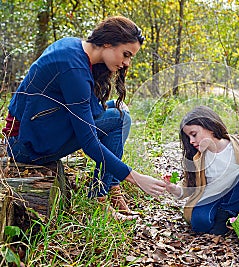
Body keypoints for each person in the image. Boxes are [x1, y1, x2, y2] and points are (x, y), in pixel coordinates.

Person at [2, 16, 166, 220]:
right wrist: (135, 177)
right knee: (120, 119)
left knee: (117, 108)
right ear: (107, 43)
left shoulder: (72, 47)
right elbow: (89, 143)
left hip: (34, 132)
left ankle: (110, 186)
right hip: (25, 147)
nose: (126, 63)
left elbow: (87, 109)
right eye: (126, 54)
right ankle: (99, 196)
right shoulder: (74, 69)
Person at [164, 105, 239, 235]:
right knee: (199, 223)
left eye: (194, 135)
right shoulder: (197, 158)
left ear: (209, 126)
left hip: (235, 196)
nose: (191, 141)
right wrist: (172, 188)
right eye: (188, 138)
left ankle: (225, 217)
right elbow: (188, 185)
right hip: (209, 197)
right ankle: (226, 219)